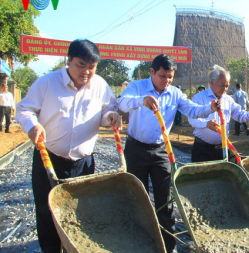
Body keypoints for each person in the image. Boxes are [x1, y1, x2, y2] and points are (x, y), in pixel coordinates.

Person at [15, 39, 122, 253]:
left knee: (80, 212)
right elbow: (24, 109)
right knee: (47, 213)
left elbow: (107, 108)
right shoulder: (47, 83)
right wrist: (33, 126)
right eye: (81, 65)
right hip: (50, 160)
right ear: (69, 60)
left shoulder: (100, 85)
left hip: (83, 164)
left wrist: (110, 116)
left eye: (91, 67)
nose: (86, 72)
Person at [118, 54, 220, 252]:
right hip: (136, 149)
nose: (166, 81)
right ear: (152, 72)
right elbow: (123, 103)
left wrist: (209, 108)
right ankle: (141, 242)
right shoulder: (137, 87)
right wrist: (141, 100)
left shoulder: (175, 93)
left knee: (165, 200)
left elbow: (192, 109)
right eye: (162, 76)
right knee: (138, 197)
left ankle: (168, 245)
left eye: (170, 77)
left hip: (161, 151)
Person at [188, 67, 249, 162]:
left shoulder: (228, 100)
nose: (224, 89)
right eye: (222, 85)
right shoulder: (199, 98)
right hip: (203, 149)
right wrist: (206, 123)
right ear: (212, 82)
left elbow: (239, 114)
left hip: (222, 149)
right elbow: (192, 119)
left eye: (227, 86)